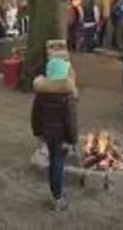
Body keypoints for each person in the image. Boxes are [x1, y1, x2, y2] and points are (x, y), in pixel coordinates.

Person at [30, 54, 80, 213]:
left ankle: (55, 192)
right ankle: (57, 197)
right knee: (58, 164)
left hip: (48, 135)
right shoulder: (67, 97)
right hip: (62, 137)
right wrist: (73, 139)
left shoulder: (41, 94)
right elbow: (71, 121)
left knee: (53, 162)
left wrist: (38, 133)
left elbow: (35, 115)